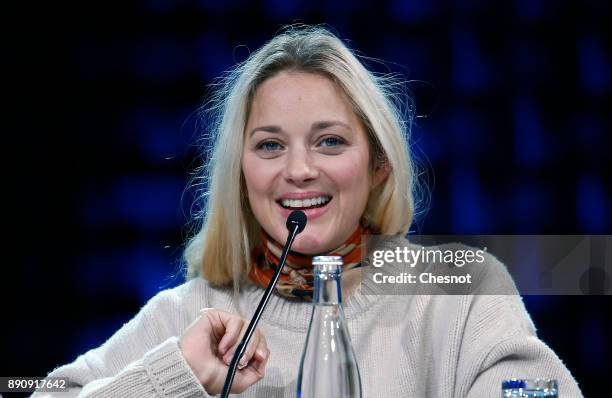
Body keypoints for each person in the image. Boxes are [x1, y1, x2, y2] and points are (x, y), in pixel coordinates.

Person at [34, 25, 583, 397]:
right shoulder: (185, 314)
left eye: (330, 142)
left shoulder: (461, 291)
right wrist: (176, 376)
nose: (298, 170)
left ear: (379, 167)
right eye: (270, 146)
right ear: (242, 174)